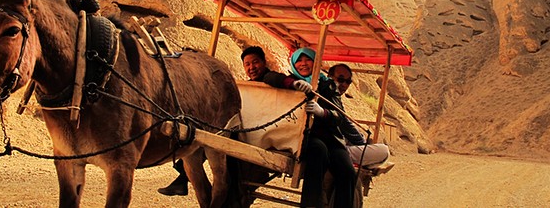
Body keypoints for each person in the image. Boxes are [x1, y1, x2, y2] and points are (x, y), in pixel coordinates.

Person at [157, 46, 311, 196]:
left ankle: (183, 179)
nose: (252, 67)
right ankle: (183, 178)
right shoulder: (246, 84)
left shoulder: (268, 78)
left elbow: (276, 78)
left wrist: (292, 83)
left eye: (255, 62)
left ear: (264, 62)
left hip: (258, 131)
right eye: (247, 64)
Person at [290, 48, 365, 208]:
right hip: (305, 136)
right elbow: (272, 78)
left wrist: (322, 112)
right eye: (299, 60)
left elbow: (339, 116)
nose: (303, 64)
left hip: (331, 139)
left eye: (308, 60)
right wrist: (293, 84)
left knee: (347, 170)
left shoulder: (328, 86)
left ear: (315, 62)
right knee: (318, 151)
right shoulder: (290, 81)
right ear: (294, 63)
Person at [328, 64, 390, 167]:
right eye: (340, 79)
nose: (344, 84)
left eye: (348, 82)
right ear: (329, 78)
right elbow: (345, 125)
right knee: (384, 151)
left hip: (337, 145)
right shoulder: (330, 96)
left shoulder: (333, 96)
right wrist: (362, 143)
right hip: (335, 150)